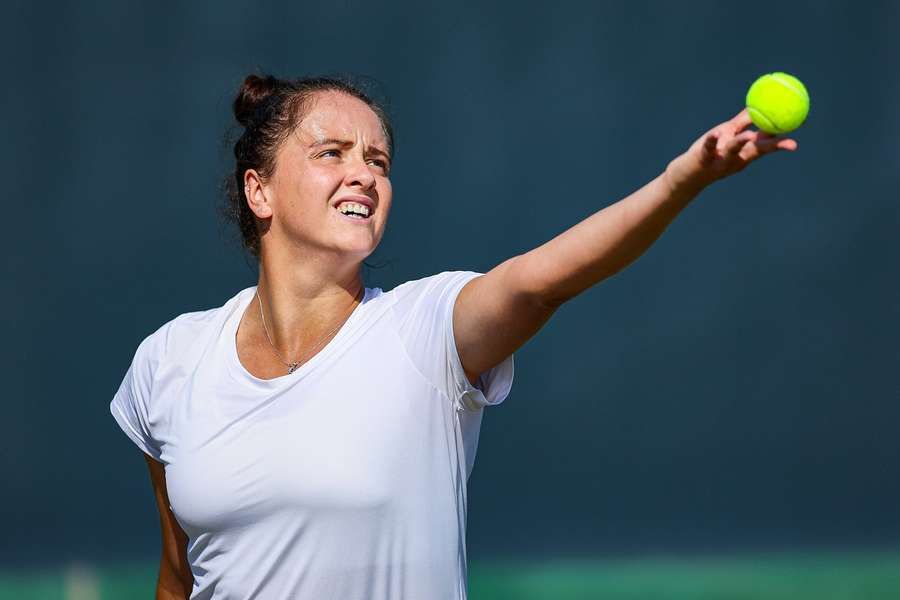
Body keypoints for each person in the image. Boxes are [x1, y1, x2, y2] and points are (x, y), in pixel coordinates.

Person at [110, 73, 797, 600]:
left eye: (378, 160)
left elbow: (542, 281)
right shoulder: (170, 361)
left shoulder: (426, 329)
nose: (365, 174)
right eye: (333, 152)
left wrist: (683, 181)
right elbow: (179, 575)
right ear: (260, 192)